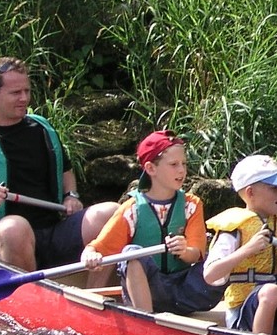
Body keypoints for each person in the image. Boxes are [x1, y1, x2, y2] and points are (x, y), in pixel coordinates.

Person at [0, 57, 118, 286]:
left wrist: (71, 195)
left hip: (52, 231)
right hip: (5, 238)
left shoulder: (42, 129)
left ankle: (93, 296)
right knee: (15, 227)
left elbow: (66, 170)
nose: (24, 98)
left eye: (26, 91)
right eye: (15, 93)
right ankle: (31, 291)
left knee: (111, 212)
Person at [81, 130, 220, 315]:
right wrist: (90, 255)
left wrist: (185, 251)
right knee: (131, 253)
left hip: (183, 290)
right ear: (151, 168)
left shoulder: (192, 205)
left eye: (184, 164)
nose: (182, 170)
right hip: (150, 291)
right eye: (174, 164)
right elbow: (98, 247)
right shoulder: (131, 210)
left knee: (221, 254)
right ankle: (145, 319)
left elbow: (196, 254)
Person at [203, 154, 277, 335]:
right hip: (246, 309)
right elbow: (210, 275)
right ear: (250, 192)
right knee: (270, 291)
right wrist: (248, 249)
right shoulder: (234, 229)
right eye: (274, 188)